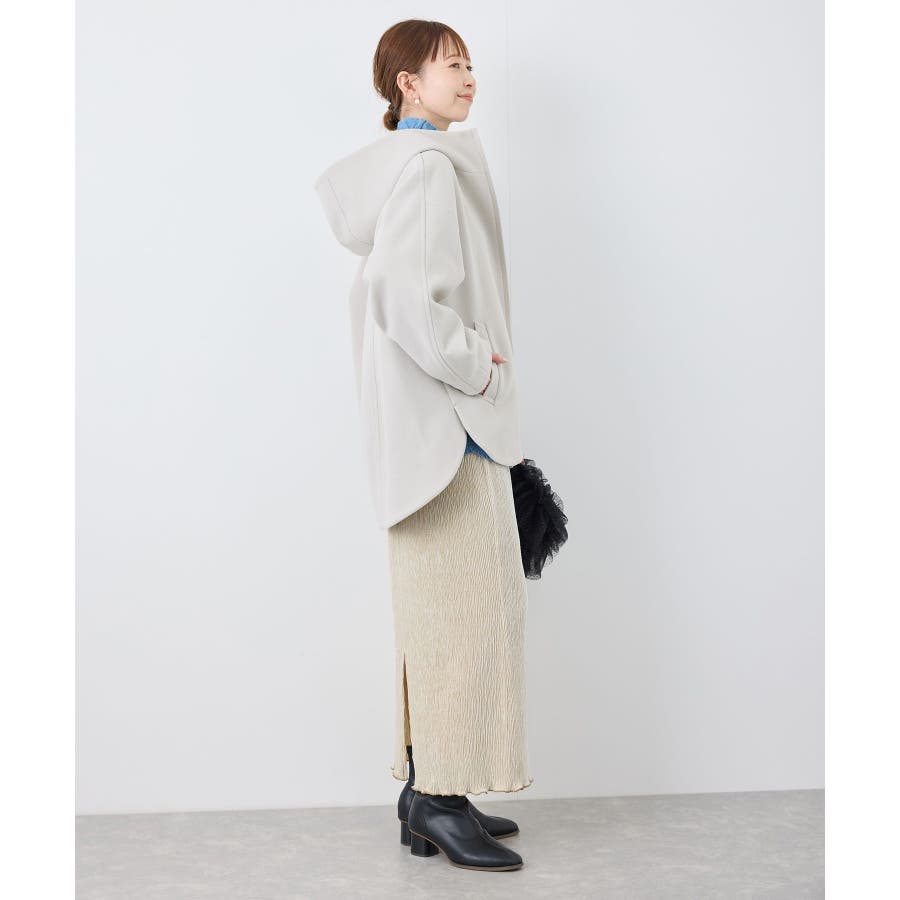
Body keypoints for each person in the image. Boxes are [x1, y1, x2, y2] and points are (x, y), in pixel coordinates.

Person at [314, 18, 532, 872]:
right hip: (452, 435)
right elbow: (404, 298)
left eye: (472, 63)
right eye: (451, 65)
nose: (469, 76)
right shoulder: (430, 168)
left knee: (443, 618)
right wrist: (477, 365)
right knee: (471, 618)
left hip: (427, 433)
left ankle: (429, 792)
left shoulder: (409, 166)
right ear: (408, 82)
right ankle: (439, 799)